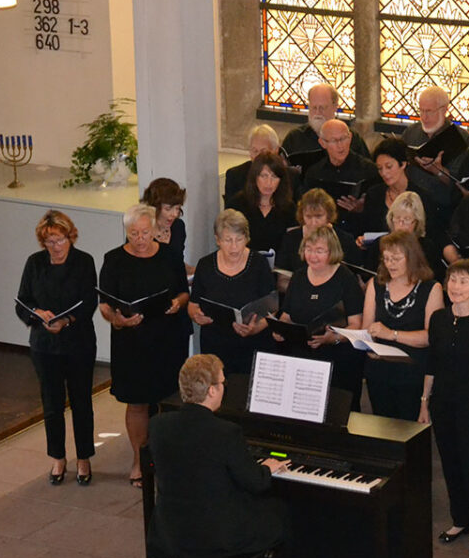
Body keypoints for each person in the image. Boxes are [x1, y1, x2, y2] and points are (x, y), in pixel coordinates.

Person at [145, 354, 292, 558]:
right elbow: (255, 483)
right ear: (212, 390)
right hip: (218, 536)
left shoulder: (158, 424)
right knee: (280, 511)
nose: (225, 387)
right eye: (223, 382)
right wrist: (267, 468)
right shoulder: (225, 432)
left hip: (172, 529)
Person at [99, 204, 190, 487]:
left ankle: (166, 460)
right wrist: (118, 319)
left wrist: (178, 303)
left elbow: (183, 292)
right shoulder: (114, 259)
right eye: (134, 234)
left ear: (155, 230)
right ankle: (139, 461)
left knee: (167, 401)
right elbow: (104, 304)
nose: (140, 239)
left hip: (166, 337)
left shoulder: (170, 256)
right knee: (137, 403)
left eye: (145, 232)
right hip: (131, 340)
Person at [419, 260, 469, 550]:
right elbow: (432, 364)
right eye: (453, 280)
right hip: (442, 401)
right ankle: (460, 519)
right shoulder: (439, 319)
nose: (456, 287)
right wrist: (424, 403)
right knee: (450, 463)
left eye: (464, 281)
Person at [16, 210, 98, 485]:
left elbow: (89, 302)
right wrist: (37, 314)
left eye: (60, 239)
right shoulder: (35, 263)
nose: (56, 246)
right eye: (50, 241)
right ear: (43, 242)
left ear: (70, 236)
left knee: (81, 402)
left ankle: (84, 457)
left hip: (78, 343)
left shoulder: (83, 261)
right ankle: (58, 458)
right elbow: (22, 302)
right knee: (51, 404)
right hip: (44, 345)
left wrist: (66, 320)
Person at [275, 227, 365, 408]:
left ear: (332, 251)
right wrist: (280, 329)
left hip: (338, 362)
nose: (312, 256)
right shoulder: (299, 276)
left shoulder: (346, 279)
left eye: (319, 251)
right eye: (308, 249)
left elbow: (357, 325)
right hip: (303, 360)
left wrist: (334, 338)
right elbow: (287, 315)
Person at [362, 231, 444, 420]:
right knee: (382, 430)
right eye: (387, 258)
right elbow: (367, 328)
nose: (390, 264)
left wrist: (391, 334)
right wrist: (368, 343)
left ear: (412, 257)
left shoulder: (431, 288)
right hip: (379, 371)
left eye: (396, 258)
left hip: (412, 373)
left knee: (410, 433)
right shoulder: (376, 284)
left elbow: (430, 337)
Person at [188, 210, 276, 378]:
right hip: (216, 345)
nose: (234, 247)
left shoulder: (258, 263)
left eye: (239, 239)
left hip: (253, 343)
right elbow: (193, 305)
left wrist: (256, 327)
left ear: (247, 238)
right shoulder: (205, 265)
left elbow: (272, 308)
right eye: (228, 240)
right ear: (217, 240)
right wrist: (196, 316)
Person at [303, 119, 379, 235]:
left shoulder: (369, 170)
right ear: (323, 143)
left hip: (357, 232)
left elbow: (377, 209)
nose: (340, 145)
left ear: (350, 138)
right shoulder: (314, 173)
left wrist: (361, 208)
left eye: (343, 138)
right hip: (323, 233)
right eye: (334, 141)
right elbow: (306, 205)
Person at [401, 86, 469, 209]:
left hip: (443, 206)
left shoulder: (459, 138)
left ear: (444, 109)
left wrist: (438, 170)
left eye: (429, 111)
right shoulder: (411, 132)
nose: (424, 117)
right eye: (421, 111)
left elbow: (461, 183)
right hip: (412, 202)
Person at [359, 137, 439, 240]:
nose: (384, 173)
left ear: (403, 164)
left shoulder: (422, 197)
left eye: (389, 166)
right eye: (379, 168)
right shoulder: (374, 194)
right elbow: (367, 229)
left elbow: (430, 236)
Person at [281, 83, 369, 173]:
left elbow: (367, 171)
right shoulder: (295, 138)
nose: (318, 113)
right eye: (314, 108)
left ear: (335, 107)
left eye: (322, 108)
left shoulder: (351, 138)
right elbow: (280, 172)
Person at [276, 188, 355, 283]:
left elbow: (353, 279)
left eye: (319, 216)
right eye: (308, 216)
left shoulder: (345, 239)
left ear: (328, 215)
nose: (313, 222)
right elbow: (282, 279)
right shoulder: (291, 238)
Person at [226, 152, 296, 255]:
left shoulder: (289, 208)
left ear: (281, 180)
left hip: (278, 266)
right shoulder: (237, 204)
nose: (269, 182)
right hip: (243, 262)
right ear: (255, 177)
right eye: (264, 176)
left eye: (274, 177)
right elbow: (228, 241)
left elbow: (291, 246)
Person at [359, 191, 442, 275]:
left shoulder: (427, 248)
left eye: (407, 219)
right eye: (397, 218)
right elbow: (368, 276)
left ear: (417, 221)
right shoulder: (379, 244)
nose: (400, 224)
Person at [224, 124, 293, 207]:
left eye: (263, 151)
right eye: (255, 151)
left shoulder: (291, 176)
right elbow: (230, 215)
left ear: (276, 151)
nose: (258, 157)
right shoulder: (235, 175)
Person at [141, 177, 188, 265]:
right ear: (154, 208)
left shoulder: (178, 226)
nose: (174, 214)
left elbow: (178, 264)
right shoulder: (140, 233)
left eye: (177, 208)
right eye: (168, 209)